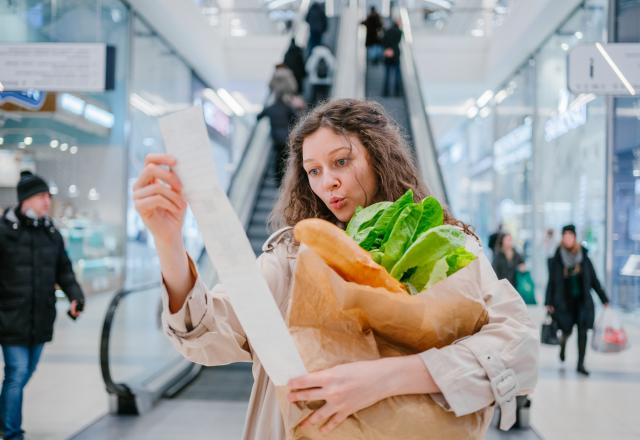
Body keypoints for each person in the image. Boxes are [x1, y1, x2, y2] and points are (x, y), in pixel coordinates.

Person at [134, 99, 538, 439]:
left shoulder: (444, 244)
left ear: (379, 157)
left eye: (341, 162)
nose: (328, 182)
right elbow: (207, 332)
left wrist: (389, 377)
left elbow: (516, 346)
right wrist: (168, 241)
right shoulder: (293, 257)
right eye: (314, 171)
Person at [0, 171, 85, 440]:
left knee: (27, 371)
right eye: (41, 196)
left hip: (40, 316)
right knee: (17, 372)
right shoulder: (3, 233)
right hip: (9, 316)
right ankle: (12, 433)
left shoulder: (51, 233)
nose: (47, 201)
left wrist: (75, 296)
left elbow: (65, 271)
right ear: (26, 199)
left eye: (48, 196)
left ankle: (5, 413)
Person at [545, 224, 609, 376]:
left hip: (582, 302)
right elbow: (551, 282)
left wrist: (604, 299)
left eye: (570, 236)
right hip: (564, 302)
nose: (567, 239)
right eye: (565, 236)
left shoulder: (584, 257)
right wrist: (548, 302)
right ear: (562, 238)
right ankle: (563, 344)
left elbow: (594, 280)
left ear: (574, 238)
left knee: (582, 332)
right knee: (566, 330)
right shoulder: (557, 258)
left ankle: (581, 364)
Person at [257, 96, 298, 185]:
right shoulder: (287, 107)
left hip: (276, 138)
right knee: (285, 157)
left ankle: (277, 180)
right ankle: (285, 179)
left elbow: (258, 117)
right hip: (286, 138)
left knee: (278, 158)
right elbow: (297, 118)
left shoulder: (270, 108)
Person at [382, 19, 403, 97]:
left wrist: (388, 48)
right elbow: (398, 41)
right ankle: (397, 92)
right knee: (397, 74)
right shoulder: (399, 32)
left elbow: (383, 41)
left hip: (388, 54)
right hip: (396, 55)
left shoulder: (387, 31)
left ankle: (385, 92)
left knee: (387, 74)